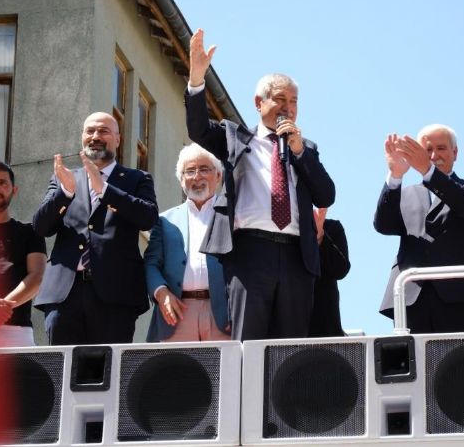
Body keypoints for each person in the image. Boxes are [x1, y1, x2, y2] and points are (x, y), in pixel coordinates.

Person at [185, 29, 335, 341]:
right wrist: (197, 80)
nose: (288, 107)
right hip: (250, 253)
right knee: (248, 344)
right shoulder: (237, 138)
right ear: (259, 102)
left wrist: (299, 151)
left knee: (290, 347)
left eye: (294, 101)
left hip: (297, 256)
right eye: (280, 99)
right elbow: (199, 129)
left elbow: (326, 194)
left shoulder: (304, 148)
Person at [32, 112, 158, 345]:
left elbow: (148, 218)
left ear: (118, 140)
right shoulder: (64, 178)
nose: (95, 136)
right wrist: (65, 193)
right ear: (82, 137)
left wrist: (106, 190)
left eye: (103, 131)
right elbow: (41, 227)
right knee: (63, 373)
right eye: (90, 131)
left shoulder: (137, 178)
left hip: (116, 296)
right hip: (64, 295)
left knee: (107, 376)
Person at [374, 125, 464, 333]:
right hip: (411, 297)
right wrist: (395, 176)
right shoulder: (405, 193)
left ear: (455, 152)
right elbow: (384, 225)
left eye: (441, 148)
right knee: (414, 365)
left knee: (463, 364)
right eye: (427, 150)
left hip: (462, 296)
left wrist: (428, 171)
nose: (434, 155)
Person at [145, 143, 231, 342]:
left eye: (204, 169)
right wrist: (161, 292)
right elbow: (151, 263)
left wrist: (237, 306)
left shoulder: (233, 217)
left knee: (225, 372)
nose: (197, 176)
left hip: (223, 312)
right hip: (177, 313)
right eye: (190, 171)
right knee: (178, 372)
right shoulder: (165, 220)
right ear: (181, 180)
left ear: (218, 176)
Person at [0, 161, 46, 346]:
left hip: (17, 332)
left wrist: (4, 307)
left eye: (2, 182)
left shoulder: (31, 232)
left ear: (14, 190)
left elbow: (37, 276)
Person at [308, 207, 350, 337]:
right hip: (286, 328)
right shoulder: (274, 232)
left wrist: (320, 238)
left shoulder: (332, 228)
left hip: (324, 331)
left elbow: (340, 270)